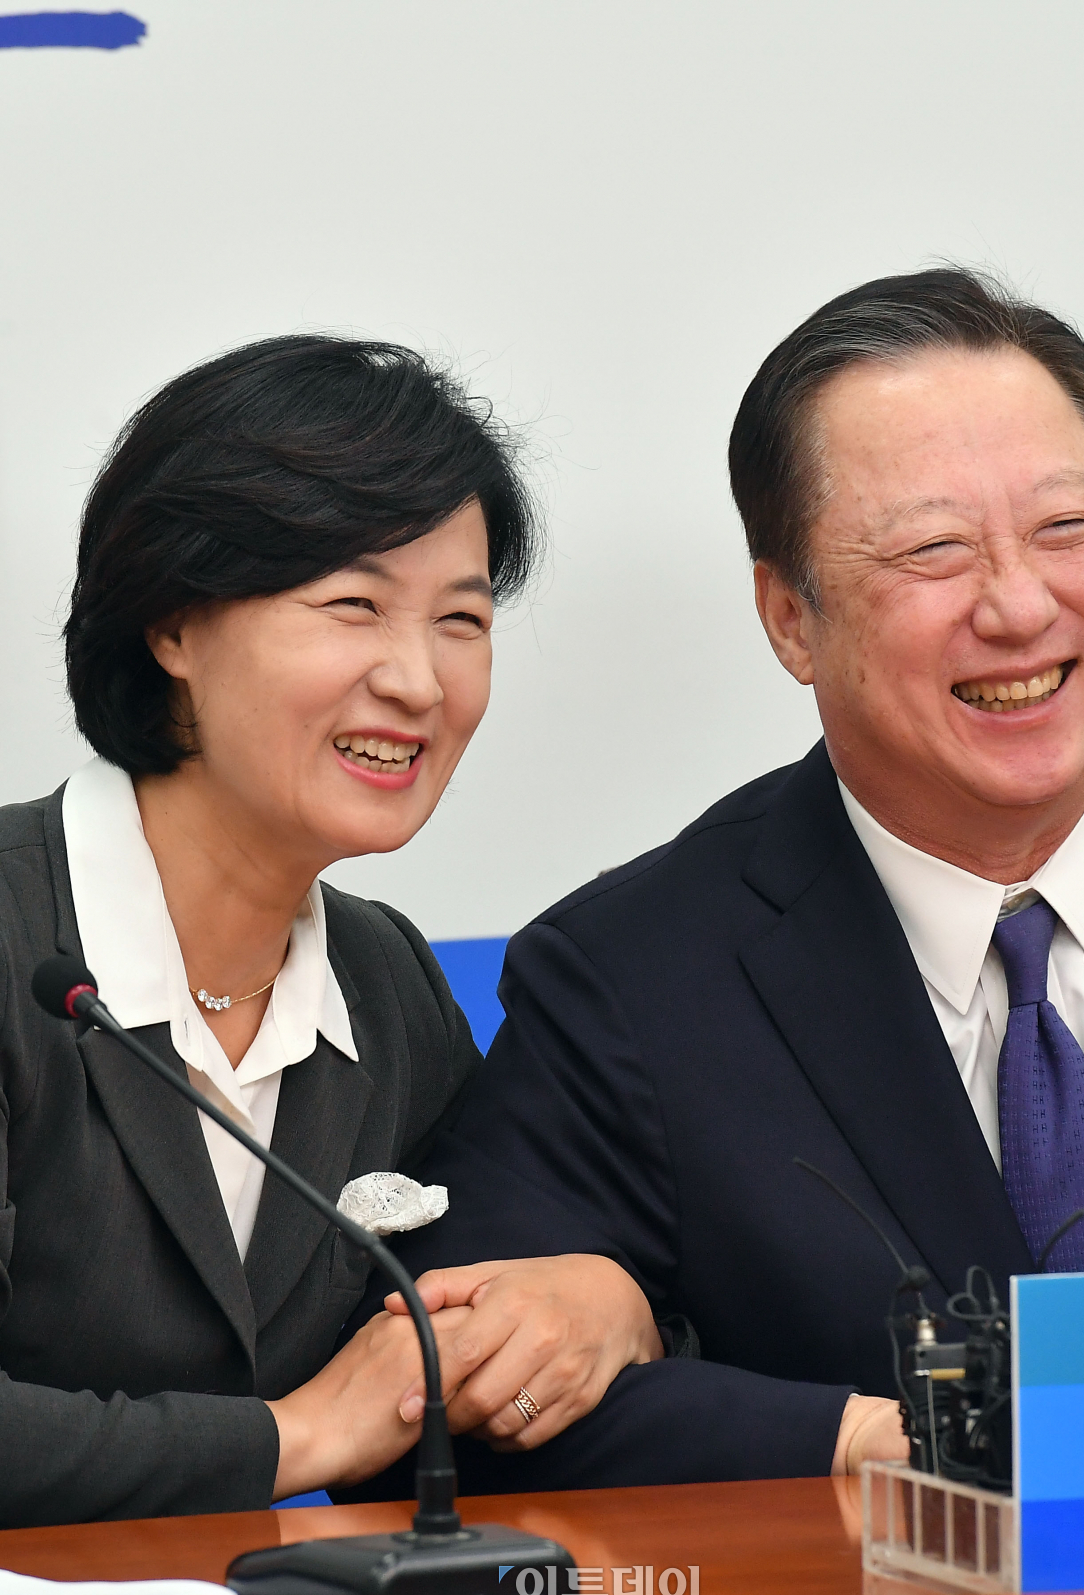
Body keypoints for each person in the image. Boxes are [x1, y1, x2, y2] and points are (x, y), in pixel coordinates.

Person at [358, 267, 1084, 1495]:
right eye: (934, 549)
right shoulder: (635, 983)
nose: (1021, 605)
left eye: (1069, 530)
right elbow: (445, 1416)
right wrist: (884, 1440)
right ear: (790, 618)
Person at [0, 335, 663, 1529]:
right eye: (354, 605)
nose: (419, 681)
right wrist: (299, 1435)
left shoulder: (383, 980)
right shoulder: (17, 933)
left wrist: (608, 1302)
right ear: (173, 625)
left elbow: (488, 1303)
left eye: (461, 620)